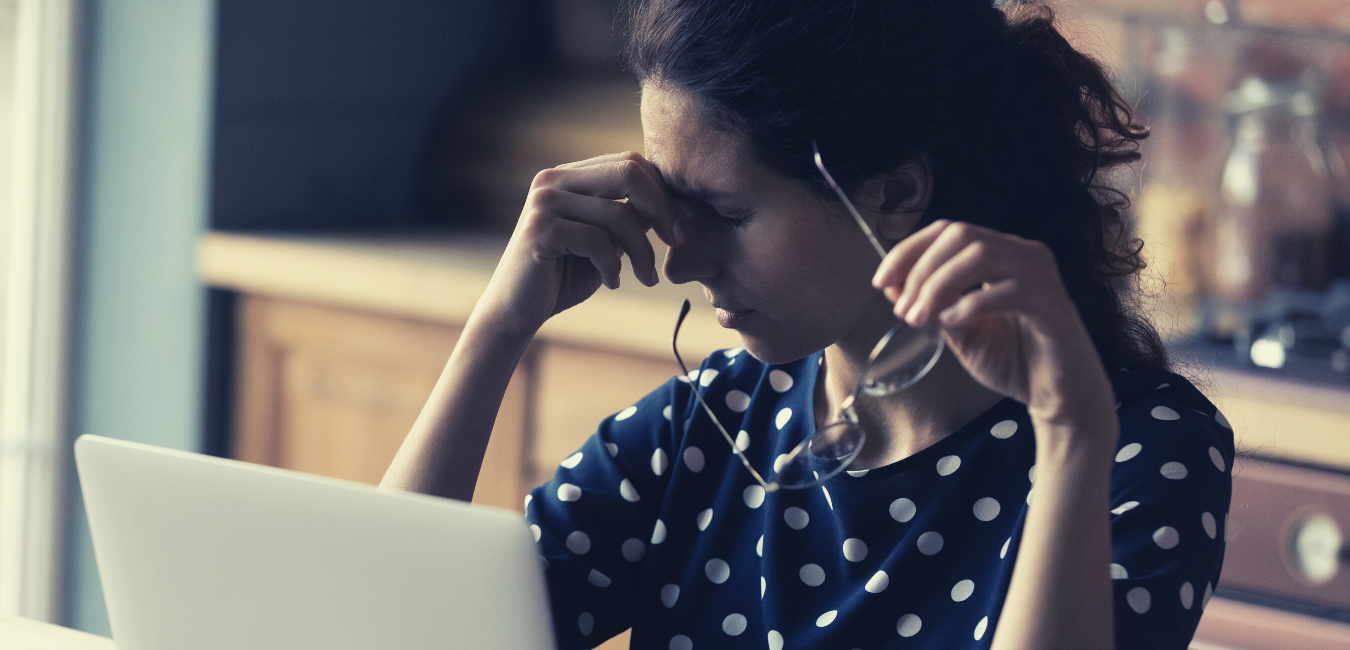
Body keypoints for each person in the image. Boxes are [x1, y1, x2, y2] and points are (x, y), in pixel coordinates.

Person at [381, 1, 1233, 648]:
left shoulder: (1135, 448)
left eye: (723, 210)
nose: (681, 260)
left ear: (893, 192)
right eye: (675, 206)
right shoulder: (702, 427)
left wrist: (1072, 434)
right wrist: (498, 326)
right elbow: (389, 626)